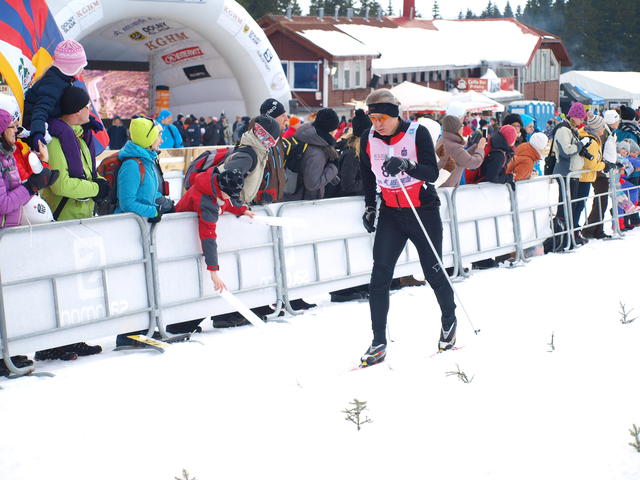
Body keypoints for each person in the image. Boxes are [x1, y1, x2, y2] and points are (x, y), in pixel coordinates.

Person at [358, 88, 457, 366]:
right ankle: (378, 341)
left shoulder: (417, 133)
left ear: (394, 115)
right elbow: (367, 174)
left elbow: (432, 172)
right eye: (373, 119)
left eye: (381, 119)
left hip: (422, 209)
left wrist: (406, 164)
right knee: (379, 276)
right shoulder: (368, 137)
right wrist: (370, 206)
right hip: (391, 212)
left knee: (433, 271)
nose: (377, 124)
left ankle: (449, 320)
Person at [175, 169, 254, 291]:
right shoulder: (206, 202)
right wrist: (213, 271)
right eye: (230, 194)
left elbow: (227, 202)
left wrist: (242, 210)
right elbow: (208, 236)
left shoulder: (216, 187)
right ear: (222, 189)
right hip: (177, 236)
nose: (230, 197)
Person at [41, 86, 111, 221]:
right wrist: (96, 189)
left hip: (82, 217)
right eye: (87, 106)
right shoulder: (54, 141)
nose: (90, 110)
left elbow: (87, 174)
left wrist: (103, 183)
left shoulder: (80, 138)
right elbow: (60, 185)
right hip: (63, 220)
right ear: (77, 110)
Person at [23, 39, 89, 152]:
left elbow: (69, 107)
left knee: (84, 131)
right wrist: (38, 133)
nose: (82, 69)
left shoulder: (63, 80)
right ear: (71, 67)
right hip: (33, 123)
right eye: (80, 66)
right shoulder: (53, 84)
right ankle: (73, 163)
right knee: (65, 131)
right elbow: (40, 109)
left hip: (46, 119)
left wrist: (89, 120)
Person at [114, 116, 173, 221]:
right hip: (127, 225)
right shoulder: (131, 166)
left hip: (141, 224)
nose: (162, 141)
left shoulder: (147, 161)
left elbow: (147, 192)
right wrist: (153, 212)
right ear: (148, 139)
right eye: (159, 136)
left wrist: (166, 204)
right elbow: (127, 203)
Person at [218, 115, 281, 205]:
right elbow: (219, 181)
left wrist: (257, 197)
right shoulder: (247, 157)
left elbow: (246, 184)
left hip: (241, 207)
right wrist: (236, 205)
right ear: (267, 138)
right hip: (230, 210)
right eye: (276, 137)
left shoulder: (259, 152)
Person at [285, 108, 340, 201]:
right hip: (305, 202)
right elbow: (312, 184)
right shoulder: (317, 152)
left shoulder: (307, 137)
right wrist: (333, 167)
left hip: (293, 197)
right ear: (330, 130)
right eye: (335, 129)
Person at [583, 109, 620, 239]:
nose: (619, 122)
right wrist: (606, 165)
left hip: (604, 170)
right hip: (600, 172)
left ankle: (596, 229)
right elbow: (600, 153)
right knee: (601, 201)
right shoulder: (603, 134)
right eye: (617, 120)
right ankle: (589, 229)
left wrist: (615, 162)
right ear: (612, 121)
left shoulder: (609, 133)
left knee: (602, 201)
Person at [571, 114, 606, 244]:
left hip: (580, 176)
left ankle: (574, 232)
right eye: (602, 126)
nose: (604, 129)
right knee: (579, 205)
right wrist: (604, 165)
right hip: (584, 177)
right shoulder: (592, 141)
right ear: (597, 127)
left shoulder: (585, 135)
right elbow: (591, 165)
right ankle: (574, 233)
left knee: (577, 205)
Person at [436, 115, 486, 187]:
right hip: (447, 188)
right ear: (457, 129)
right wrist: (480, 148)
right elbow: (473, 163)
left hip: (442, 184)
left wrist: (475, 147)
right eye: (461, 126)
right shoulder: (454, 147)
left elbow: (460, 157)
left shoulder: (443, 139)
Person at [257, 98, 288, 203]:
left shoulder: (278, 139)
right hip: (261, 204)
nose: (286, 119)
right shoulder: (257, 141)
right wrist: (260, 195)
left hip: (277, 199)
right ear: (272, 119)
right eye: (282, 115)